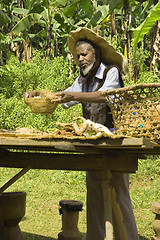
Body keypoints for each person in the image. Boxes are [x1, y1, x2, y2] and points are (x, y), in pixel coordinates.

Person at [24, 27, 140, 240]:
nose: (81, 59)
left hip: (115, 141)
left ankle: (128, 237)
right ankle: (96, 237)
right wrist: (38, 94)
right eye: (78, 56)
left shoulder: (109, 72)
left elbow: (106, 96)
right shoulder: (82, 79)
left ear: (95, 54)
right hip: (92, 142)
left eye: (84, 54)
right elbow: (64, 96)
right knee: (94, 190)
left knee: (119, 192)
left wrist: (74, 95)